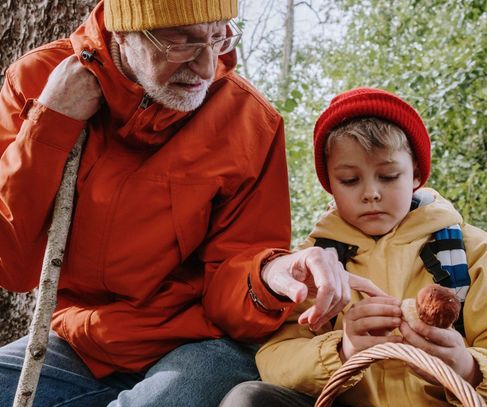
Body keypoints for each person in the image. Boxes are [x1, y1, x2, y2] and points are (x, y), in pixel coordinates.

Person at [0, 1, 366, 405]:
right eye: (180, 41)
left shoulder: (247, 122)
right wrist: (51, 122)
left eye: (218, 37)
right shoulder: (37, 81)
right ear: (122, 32)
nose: (207, 67)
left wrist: (269, 274)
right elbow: (11, 266)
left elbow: (234, 273)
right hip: (84, 341)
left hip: (202, 343)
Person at [220, 87, 487, 406]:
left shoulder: (474, 251)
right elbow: (275, 358)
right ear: (329, 184)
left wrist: (469, 369)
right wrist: (343, 351)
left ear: (415, 173)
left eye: (388, 176)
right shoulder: (313, 265)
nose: (371, 193)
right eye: (349, 180)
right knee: (248, 398)